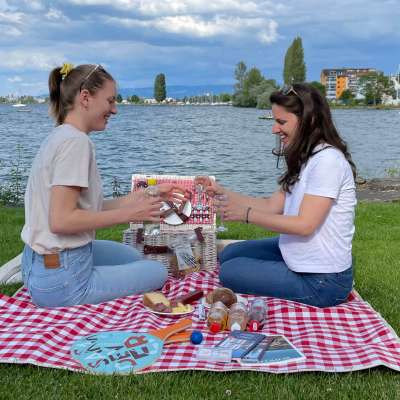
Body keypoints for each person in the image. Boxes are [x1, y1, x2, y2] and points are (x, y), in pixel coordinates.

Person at [21, 63, 184, 308]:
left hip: (38, 265)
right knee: (156, 272)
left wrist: (150, 193)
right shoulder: (76, 144)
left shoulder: (61, 135)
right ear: (85, 97)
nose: (115, 110)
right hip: (62, 282)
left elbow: (88, 209)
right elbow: (61, 221)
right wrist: (129, 215)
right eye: (110, 101)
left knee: (131, 256)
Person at [197, 83, 357, 307]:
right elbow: (272, 205)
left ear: (309, 120)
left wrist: (247, 215)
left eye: (281, 122)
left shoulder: (327, 161)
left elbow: (305, 225)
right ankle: (279, 270)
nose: (274, 129)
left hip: (322, 282)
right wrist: (222, 192)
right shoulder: (307, 157)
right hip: (298, 255)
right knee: (229, 254)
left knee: (230, 271)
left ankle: (284, 276)